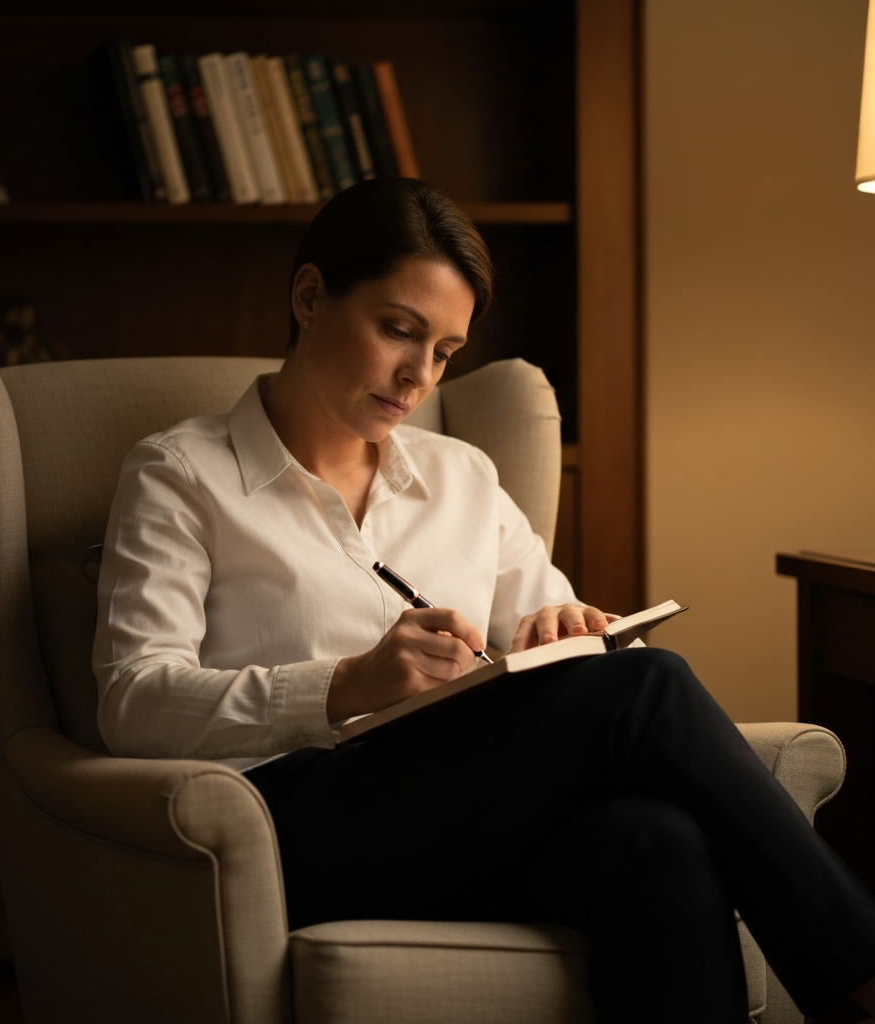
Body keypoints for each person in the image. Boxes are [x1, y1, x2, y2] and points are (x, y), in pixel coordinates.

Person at [93, 177, 875, 1023]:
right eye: (399, 330)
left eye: (444, 351)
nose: (418, 375)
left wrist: (567, 630)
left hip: (465, 823)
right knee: (649, 690)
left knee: (659, 840)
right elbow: (130, 702)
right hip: (289, 828)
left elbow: (607, 676)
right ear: (311, 296)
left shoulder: (461, 475)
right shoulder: (180, 474)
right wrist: (345, 684)